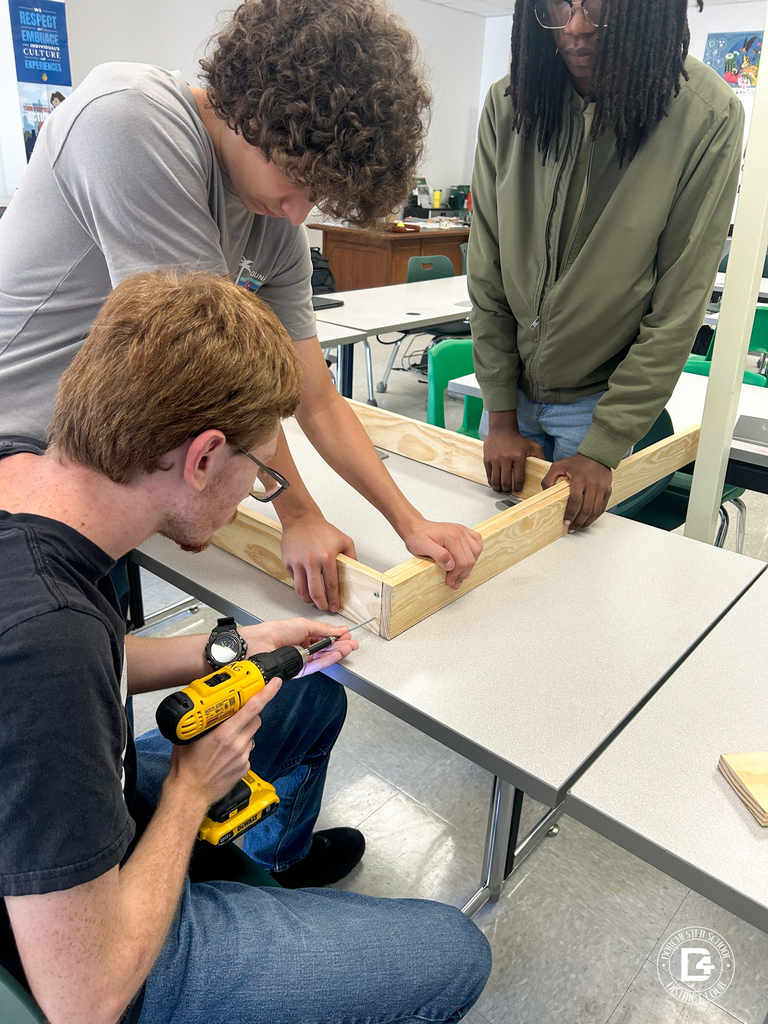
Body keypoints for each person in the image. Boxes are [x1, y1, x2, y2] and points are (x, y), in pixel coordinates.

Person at [0, 270, 492, 1024]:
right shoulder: (47, 645)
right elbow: (85, 1000)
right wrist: (192, 792)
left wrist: (236, 644)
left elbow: (90, 666)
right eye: (263, 474)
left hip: (60, 808)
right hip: (77, 957)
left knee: (307, 693)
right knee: (455, 952)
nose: (257, 494)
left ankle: (269, 865)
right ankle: (213, 906)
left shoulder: (28, 485)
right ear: (201, 458)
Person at [0, 0, 483, 614]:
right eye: (297, 180)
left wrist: (410, 523)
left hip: (106, 465)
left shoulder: (271, 224)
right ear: (254, 111)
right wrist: (298, 512)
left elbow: (318, 399)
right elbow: (215, 377)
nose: (300, 212)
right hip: (21, 464)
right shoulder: (130, 119)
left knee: (105, 662)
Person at [469, 0, 744, 531]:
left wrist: (605, 444)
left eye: (600, 6)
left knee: (573, 580)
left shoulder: (705, 114)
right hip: (513, 399)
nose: (576, 27)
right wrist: (500, 411)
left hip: (601, 402)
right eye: (558, 6)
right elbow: (486, 268)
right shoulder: (512, 102)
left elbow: (679, 302)